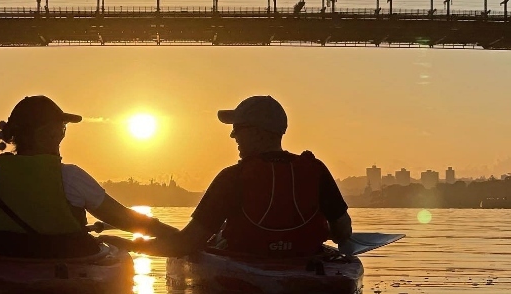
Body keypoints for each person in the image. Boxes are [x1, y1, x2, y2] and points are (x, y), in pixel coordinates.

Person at [102, 95, 352, 258]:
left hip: (243, 265)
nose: (233, 137)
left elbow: (186, 244)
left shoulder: (233, 178)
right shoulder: (316, 169)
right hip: (308, 264)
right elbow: (343, 231)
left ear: (258, 133)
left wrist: (130, 244)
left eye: (238, 129)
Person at [0, 95, 178, 257]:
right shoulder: (71, 178)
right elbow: (124, 219)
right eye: (60, 129)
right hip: (68, 269)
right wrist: (178, 237)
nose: (61, 136)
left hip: (5, 268)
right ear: (45, 135)